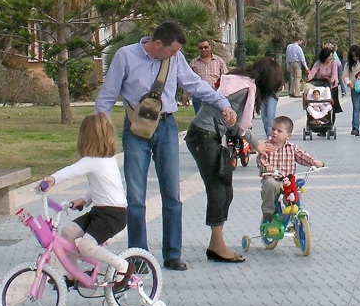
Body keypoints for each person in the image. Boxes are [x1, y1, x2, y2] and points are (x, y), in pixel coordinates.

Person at [95, 21, 238, 272]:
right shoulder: (125, 56)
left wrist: (223, 103)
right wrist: (99, 134)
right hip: (136, 129)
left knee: (172, 194)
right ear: (158, 43)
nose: (174, 56)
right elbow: (107, 96)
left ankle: (172, 254)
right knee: (136, 197)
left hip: (167, 126)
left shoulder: (175, 58)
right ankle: (139, 256)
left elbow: (194, 84)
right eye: (171, 51)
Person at [185, 57, 281, 263]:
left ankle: (215, 243)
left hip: (206, 136)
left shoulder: (242, 84)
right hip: (203, 136)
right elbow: (232, 122)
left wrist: (255, 143)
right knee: (219, 190)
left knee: (224, 189)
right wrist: (255, 143)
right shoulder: (244, 89)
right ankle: (217, 245)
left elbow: (233, 122)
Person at [37, 114, 132, 292]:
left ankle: (122, 266)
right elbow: (102, 187)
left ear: (86, 138)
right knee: (68, 231)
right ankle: (72, 275)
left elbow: (72, 171)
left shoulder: (94, 161)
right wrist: (84, 199)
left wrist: (52, 179)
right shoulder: (104, 160)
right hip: (100, 211)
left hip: (113, 215)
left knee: (86, 246)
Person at [257, 116, 324, 228]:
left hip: (287, 181)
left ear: (288, 136)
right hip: (273, 179)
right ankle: (268, 212)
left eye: (279, 131)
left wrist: (314, 162)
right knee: (269, 184)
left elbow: (303, 156)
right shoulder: (266, 146)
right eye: (273, 129)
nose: (275, 133)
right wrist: (266, 166)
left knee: (295, 193)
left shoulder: (292, 148)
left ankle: (296, 216)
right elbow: (261, 159)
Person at [189, 39, 228, 114]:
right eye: (201, 48)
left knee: (216, 117)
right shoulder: (193, 63)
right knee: (201, 118)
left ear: (210, 47)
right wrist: (185, 96)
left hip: (215, 94)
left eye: (205, 47)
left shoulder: (219, 61)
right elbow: (188, 80)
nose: (203, 49)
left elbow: (226, 78)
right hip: (199, 95)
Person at [307, 47, 342, 115]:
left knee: (331, 103)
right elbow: (313, 72)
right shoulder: (318, 63)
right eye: (329, 56)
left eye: (331, 56)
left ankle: (331, 117)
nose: (331, 58)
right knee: (320, 102)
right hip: (321, 85)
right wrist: (309, 77)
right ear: (325, 56)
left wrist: (332, 79)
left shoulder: (333, 63)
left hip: (332, 85)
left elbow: (334, 74)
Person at [259, 52, 280, 138]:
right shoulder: (261, 68)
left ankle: (269, 134)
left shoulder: (276, 67)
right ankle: (268, 133)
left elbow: (279, 78)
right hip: (263, 92)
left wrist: (280, 85)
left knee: (270, 113)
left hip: (273, 92)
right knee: (264, 115)